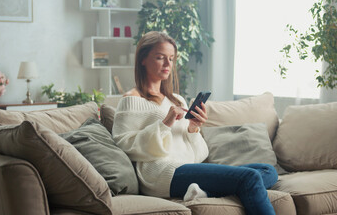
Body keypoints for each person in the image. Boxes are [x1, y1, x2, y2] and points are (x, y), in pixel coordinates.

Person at [112, 31, 278, 215]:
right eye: (160, 58)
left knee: (268, 170)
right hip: (161, 174)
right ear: (143, 59)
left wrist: (193, 129)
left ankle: (204, 193)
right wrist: (164, 123)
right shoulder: (130, 100)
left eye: (171, 58)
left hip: (187, 168)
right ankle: (209, 191)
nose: (168, 64)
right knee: (250, 177)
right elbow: (124, 145)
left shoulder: (177, 100)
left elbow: (197, 155)